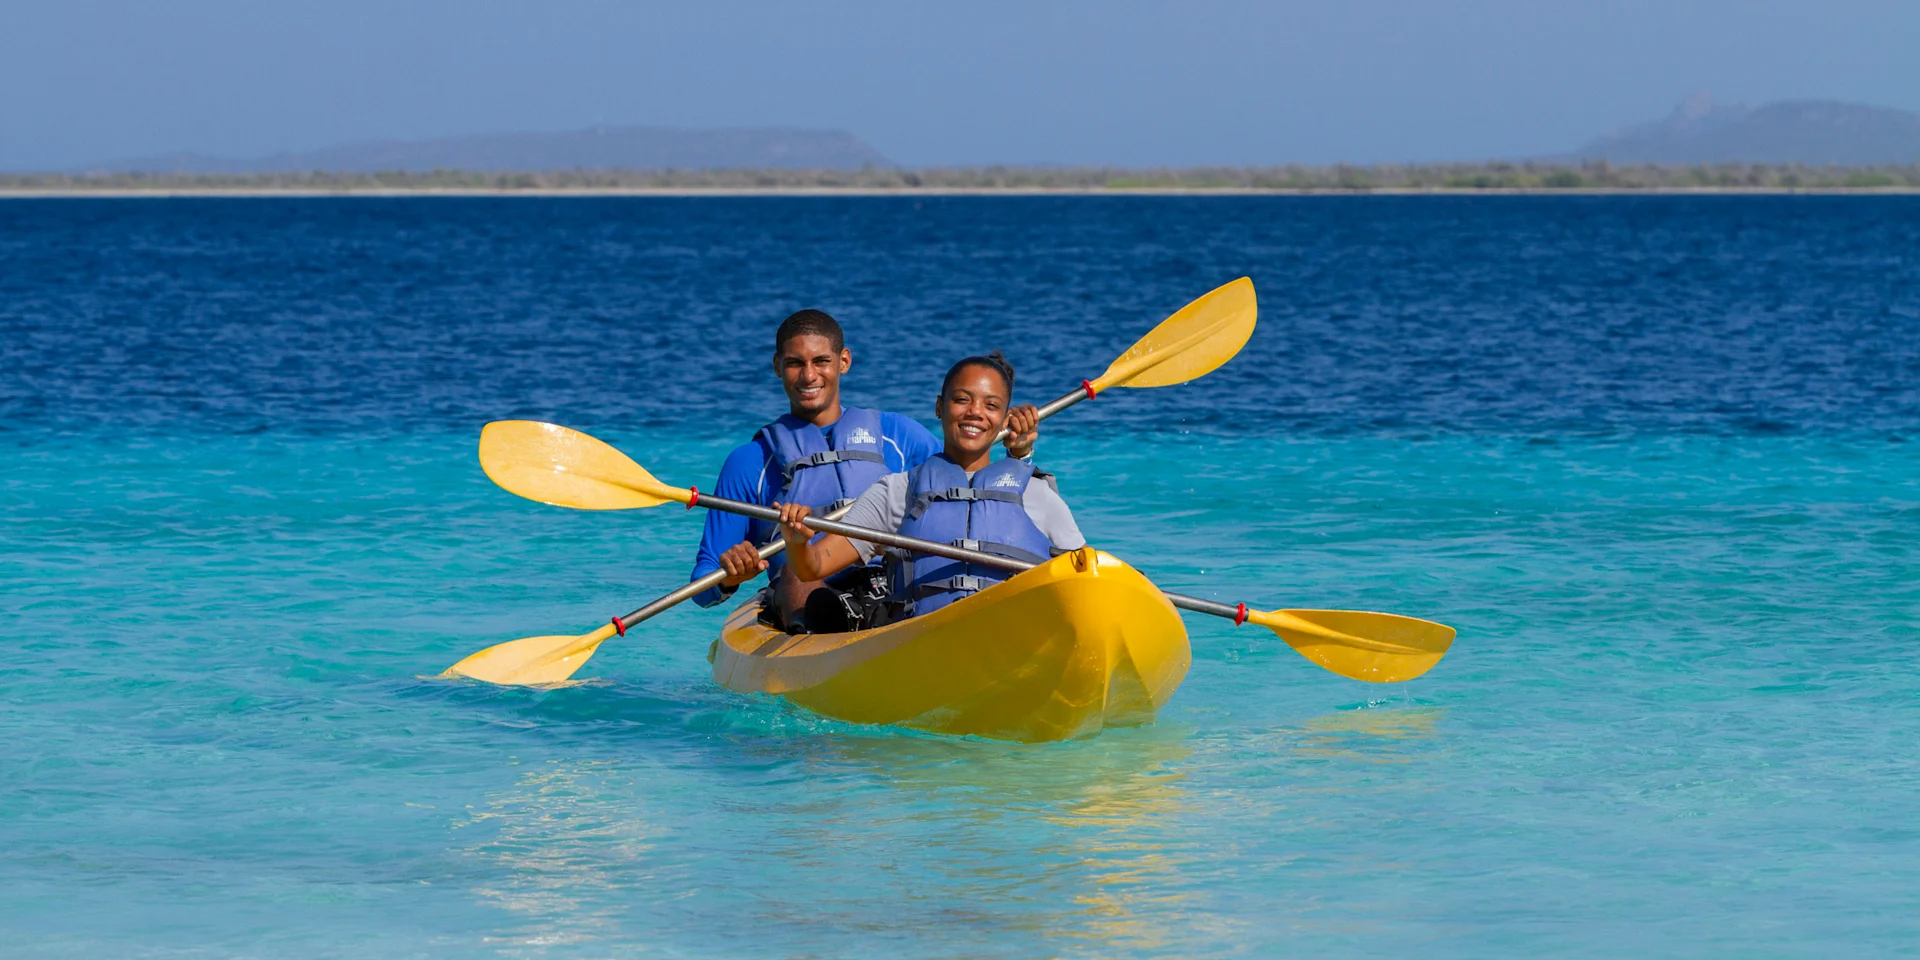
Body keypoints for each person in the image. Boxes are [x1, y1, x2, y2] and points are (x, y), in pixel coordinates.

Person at [690, 310, 1037, 629]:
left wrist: (1019, 453)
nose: (809, 375)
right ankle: (819, 649)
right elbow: (702, 584)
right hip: (805, 595)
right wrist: (730, 576)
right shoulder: (750, 462)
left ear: (843, 361)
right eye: (796, 363)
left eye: (821, 361)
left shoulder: (899, 436)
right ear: (778, 366)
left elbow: (973, 492)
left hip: (890, 581)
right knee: (799, 577)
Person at [774, 351, 1084, 628]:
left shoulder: (1035, 494)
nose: (975, 412)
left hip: (1011, 633)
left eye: (991, 405)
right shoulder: (897, 492)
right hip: (922, 639)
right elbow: (812, 567)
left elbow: (1087, 580)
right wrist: (797, 542)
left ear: (1004, 419)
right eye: (962, 399)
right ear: (939, 407)